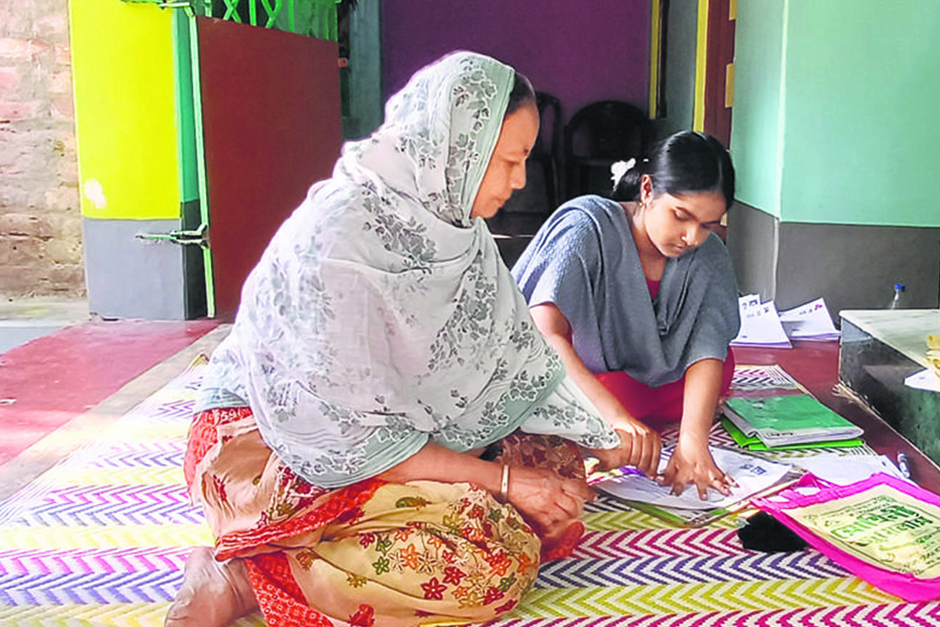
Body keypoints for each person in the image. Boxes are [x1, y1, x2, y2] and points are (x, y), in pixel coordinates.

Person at [165, 51, 637, 627]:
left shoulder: (456, 226)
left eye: (524, 161)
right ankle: (244, 574)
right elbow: (353, 440)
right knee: (487, 564)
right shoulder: (339, 242)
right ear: (453, 148)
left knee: (558, 469)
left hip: (405, 431)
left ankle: (324, 546)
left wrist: (597, 431)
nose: (519, 181)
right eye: (508, 161)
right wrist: (505, 481)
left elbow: (515, 361)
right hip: (275, 444)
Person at [512, 131, 741, 500]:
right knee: (550, 388)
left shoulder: (708, 253)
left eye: (708, 224)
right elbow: (544, 333)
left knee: (720, 364)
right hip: (581, 374)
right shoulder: (586, 226)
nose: (692, 237)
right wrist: (617, 417)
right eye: (681, 216)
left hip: (651, 380)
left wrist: (692, 440)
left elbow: (707, 344)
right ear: (647, 190)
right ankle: (609, 420)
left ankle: (606, 421)